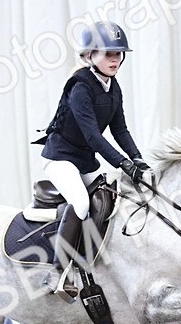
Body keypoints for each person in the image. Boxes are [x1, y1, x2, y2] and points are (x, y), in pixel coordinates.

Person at [33, 20, 151, 288]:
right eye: (108, 54)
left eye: (118, 54)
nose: (115, 59)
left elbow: (120, 129)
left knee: (114, 198)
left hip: (84, 160)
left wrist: (138, 160)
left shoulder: (113, 86)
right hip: (60, 158)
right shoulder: (80, 87)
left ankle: (96, 259)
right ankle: (58, 273)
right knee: (81, 203)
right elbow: (93, 136)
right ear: (89, 56)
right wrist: (122, 163)